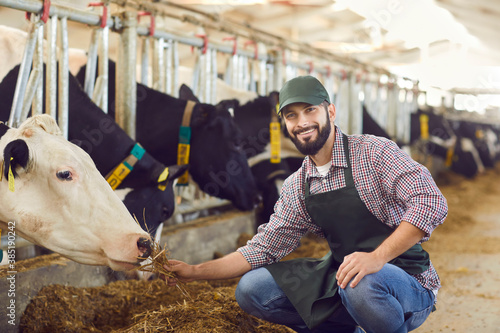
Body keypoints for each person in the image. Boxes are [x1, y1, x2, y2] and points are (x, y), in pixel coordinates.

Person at [162, 75, 448, 333]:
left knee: (360, 283)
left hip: (407, 283)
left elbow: (431, 201)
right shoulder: (298, 185)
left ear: (331, 111)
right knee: (252, 289)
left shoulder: (374, 152)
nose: (301, 123)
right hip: (347, 277)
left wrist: (377, 257)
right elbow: (261, 250)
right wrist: (195, 271)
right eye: (291, 115)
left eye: (310, 110)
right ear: (284, 124)